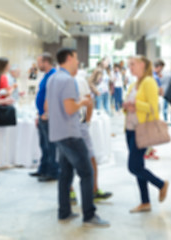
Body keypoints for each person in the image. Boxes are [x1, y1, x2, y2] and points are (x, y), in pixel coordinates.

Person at [46, 48, 109, 227]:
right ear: (69, 58)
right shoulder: (67, 80)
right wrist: (82, 102)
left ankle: (64, 212)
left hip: (58, 133)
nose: (78, 61)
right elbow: (69, 108)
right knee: (87, 173)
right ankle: (89, 215)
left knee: (65, 174)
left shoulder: (53, 78)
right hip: (70, 134)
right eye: (76, 57)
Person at [123, 55, 169, 213]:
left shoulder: (149, 82)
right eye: (129, 64)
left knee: (133, 166)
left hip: (141, 130)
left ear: (142, 65)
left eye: (133, 64)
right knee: (139, 166)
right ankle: (145, 202)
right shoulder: (135, 83)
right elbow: (130, 105)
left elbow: (153, 108)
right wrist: (126, 106)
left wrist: (135, 104)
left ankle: (161, 184)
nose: (130, 67)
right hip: (129, 129)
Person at [75, 69, 113, 202]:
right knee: (67, 160)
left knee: (90, 157)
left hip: (79, 124)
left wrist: (87, 121)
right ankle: (72, 192)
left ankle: (94, 190)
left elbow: (89, 101)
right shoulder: (60, 80)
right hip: (69, 126)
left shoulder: (80, 81)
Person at [29, 52, 59, 182]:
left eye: (39, 62)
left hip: (48, 117)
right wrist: (38, 114)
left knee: (50, 146)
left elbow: (52, 97)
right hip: (42, 116)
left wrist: (47, 114)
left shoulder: (53, 75)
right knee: (43, 145)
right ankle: (43, 169)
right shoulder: (46, 76)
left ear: (46, 62)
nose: (37, 65)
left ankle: (53, 172)